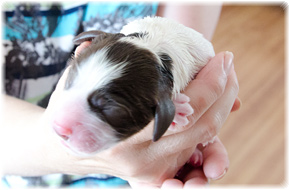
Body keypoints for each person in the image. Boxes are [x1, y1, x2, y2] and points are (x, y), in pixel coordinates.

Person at [1, 2, 240, 188]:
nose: (60, 124)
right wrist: (49, 147)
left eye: (107, 106)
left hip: (137, 176)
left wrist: (183, 116)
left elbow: (182, 48)